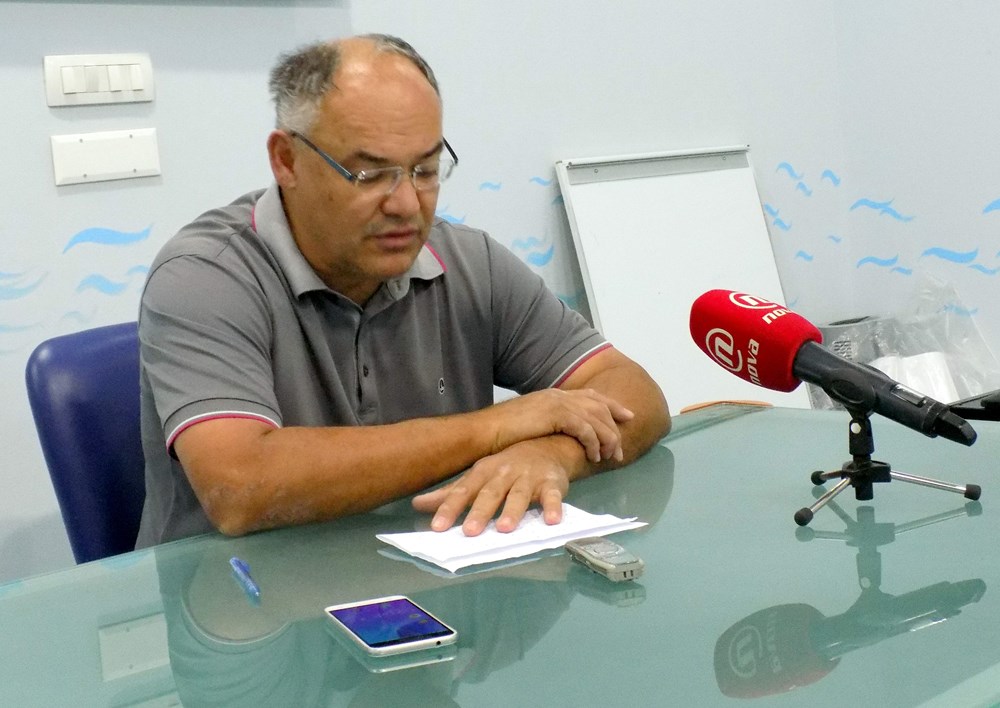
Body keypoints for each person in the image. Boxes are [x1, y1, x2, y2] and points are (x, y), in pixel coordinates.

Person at [134, 33, 670, 548]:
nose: (407, 205)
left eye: (425, 170)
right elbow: (239, 486)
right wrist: (496, 427)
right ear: (287, 160)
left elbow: (635, 395)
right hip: (243, 594)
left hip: (436, 575)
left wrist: (552, 454)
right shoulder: (204, 277)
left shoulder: (469, 262)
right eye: (370, 175)